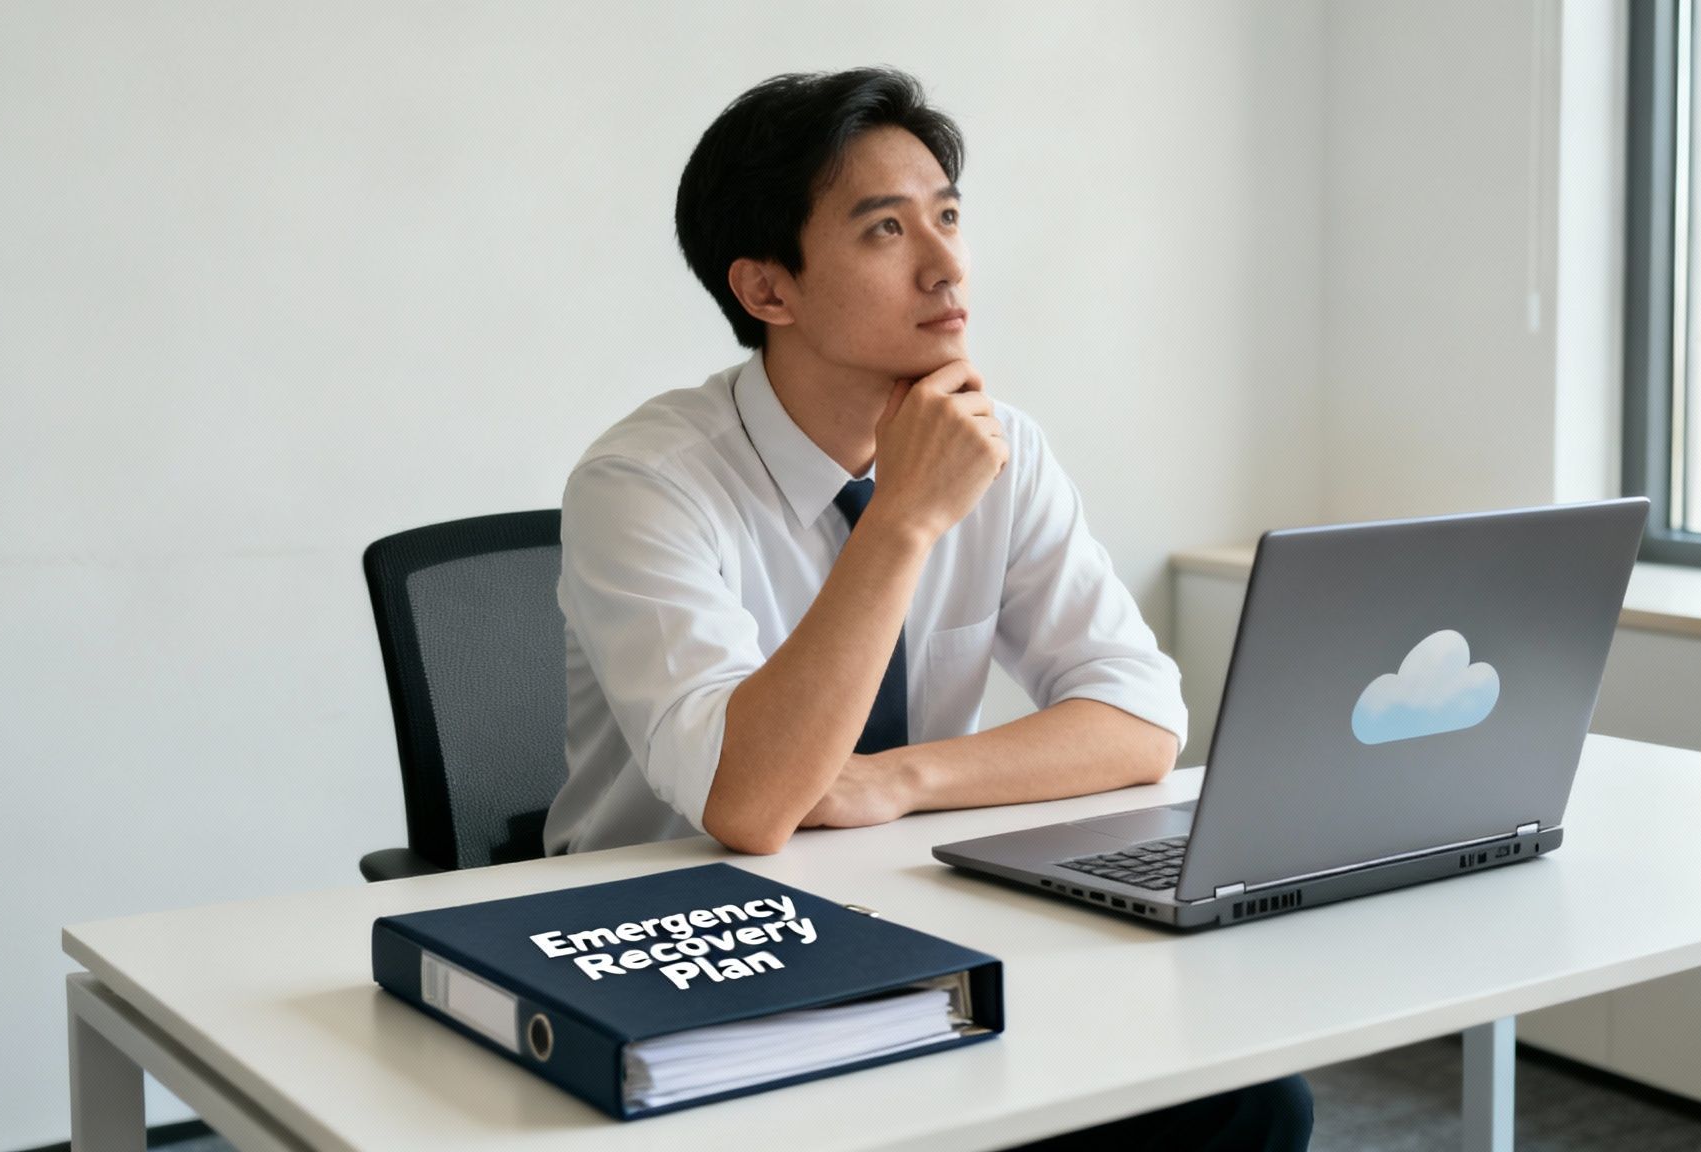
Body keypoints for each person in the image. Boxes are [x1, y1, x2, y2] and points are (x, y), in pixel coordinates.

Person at [546, 66, 1311, 1150]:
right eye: (883, 232)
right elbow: (750, 804)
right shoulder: (644, 483)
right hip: (674, 950)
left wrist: (898, 782)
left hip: (902, 918)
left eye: (947, 218)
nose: (947, 266)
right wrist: (901, 519)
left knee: (1248, 1106)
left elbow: (1140, 721)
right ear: (768, 291)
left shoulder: (1006, 447)